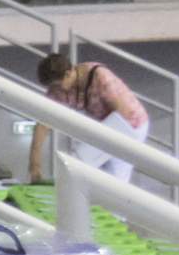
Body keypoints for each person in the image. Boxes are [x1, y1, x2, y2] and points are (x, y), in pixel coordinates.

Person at [27, 52, 149, 185]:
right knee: (96, 172)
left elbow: (122, 114)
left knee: (81, 163)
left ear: (68, 74)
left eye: (56, 86)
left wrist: (101, 146)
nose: (54, 91)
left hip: (131, 123)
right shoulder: (59, 87)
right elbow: (43, 124)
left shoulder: (101, 76)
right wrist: (34, 164)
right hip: (110, 123)